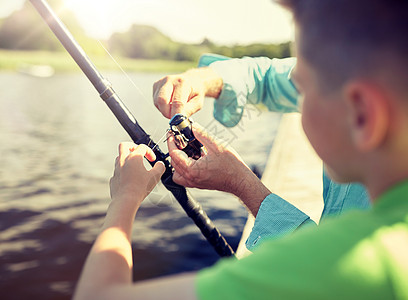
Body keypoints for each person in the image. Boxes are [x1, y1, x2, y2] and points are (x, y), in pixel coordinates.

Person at [73, 0, 408, 299]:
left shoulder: (355, 260)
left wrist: (125, 197)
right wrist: (203, 80)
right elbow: (266, 77)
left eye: (303, 90)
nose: (296, 98)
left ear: (363, 115)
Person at [152, 53, 370, 249]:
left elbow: (328, 266)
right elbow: (267, 77)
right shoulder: (353, 67)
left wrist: (242, 184)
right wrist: (200, 80)